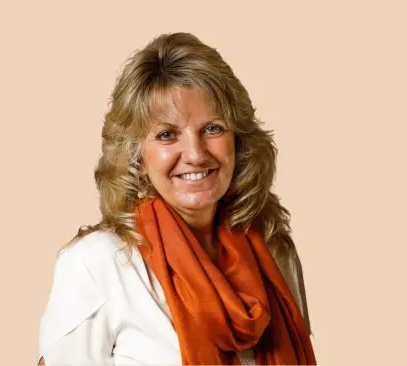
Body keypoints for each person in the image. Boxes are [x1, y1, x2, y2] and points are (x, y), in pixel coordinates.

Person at [38, 32, 317, 365]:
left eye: (213, 128)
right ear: (136, 155)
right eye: (167, 135)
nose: (196, 154)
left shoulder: (273, 251)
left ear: (239, 140)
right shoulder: (98, 264)